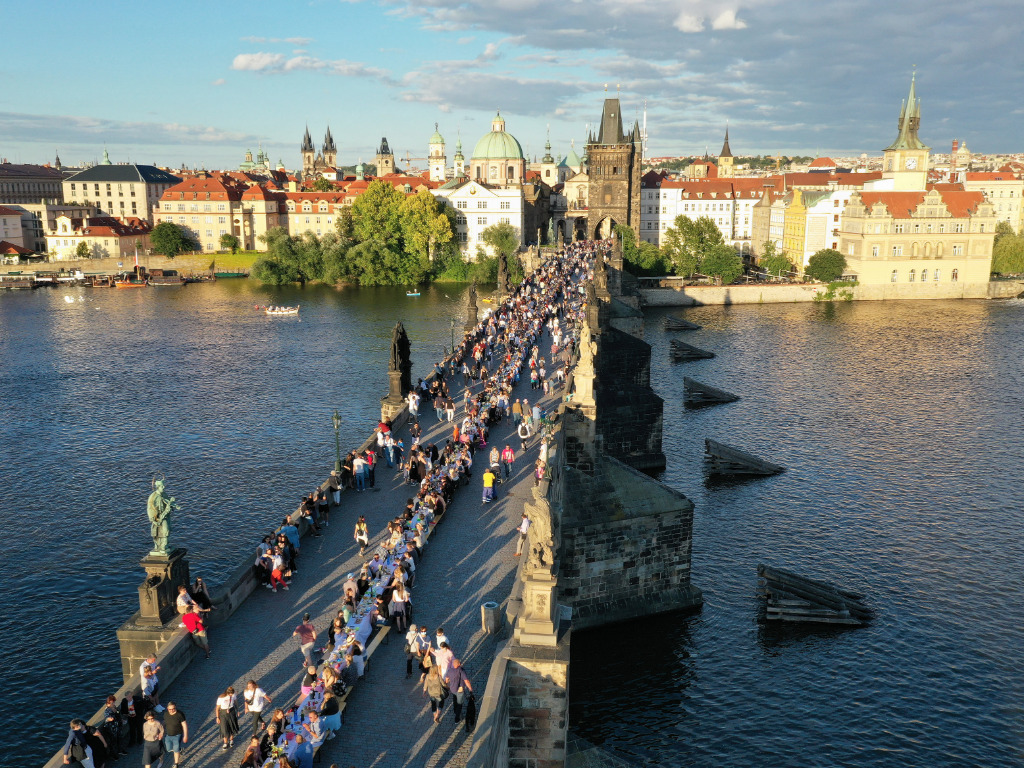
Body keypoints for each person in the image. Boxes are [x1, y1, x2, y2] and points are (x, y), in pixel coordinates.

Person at [443, 658, 474, 724]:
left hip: (452, 689)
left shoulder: (450, 670)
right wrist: (470, 689)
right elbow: (466, 681)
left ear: (453, 664)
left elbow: (446, 680)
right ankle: (457, 717)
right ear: (459, 664)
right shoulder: (461, 671)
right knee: (459, 704)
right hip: (460, 690)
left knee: (455, 701)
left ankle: (455, 711)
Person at [161, 702, 187, 766]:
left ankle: (176, 764)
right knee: (169, 749)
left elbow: (184, 725)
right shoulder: (166, 714)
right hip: (168, 735)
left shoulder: (180, 714)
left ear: (175, 707)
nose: (172, 710)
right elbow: (164, 722)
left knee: (175, 750)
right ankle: (179, 750)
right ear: (167, 708)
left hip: (177, 735)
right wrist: (161, 731)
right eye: (170, 709)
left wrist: (185, 735)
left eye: (173, 708)